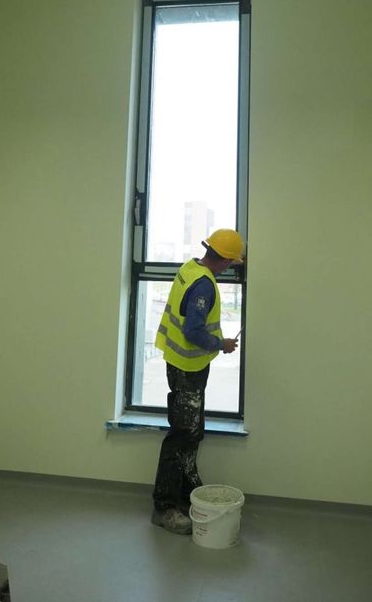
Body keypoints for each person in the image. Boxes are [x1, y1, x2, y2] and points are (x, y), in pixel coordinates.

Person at [151, 228, 245, 535]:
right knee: (182, 434)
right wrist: (222, 344)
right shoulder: (204, 285)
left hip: (180, 364)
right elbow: (193, 331)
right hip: (187, 369)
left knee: (191, 431)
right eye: (232, 262)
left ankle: (185, 493)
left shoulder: (190, 267)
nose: (232, 267)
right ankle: (164, 507)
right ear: (225, 260)